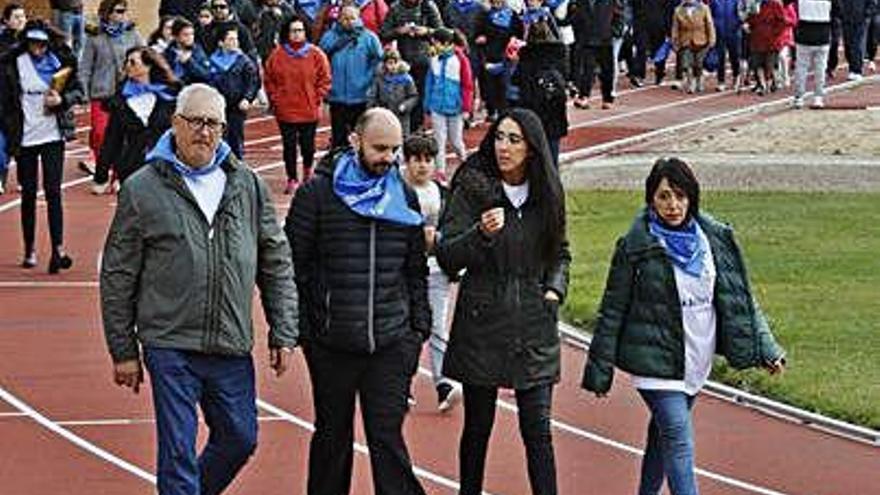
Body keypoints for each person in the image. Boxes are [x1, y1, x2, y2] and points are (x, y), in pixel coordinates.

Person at [100, 83, 298, 495]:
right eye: (195, 122)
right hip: (169, 342)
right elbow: (119, 273)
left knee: (240, 438)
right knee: (177, 451)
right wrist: (123, 349)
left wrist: (283, 329)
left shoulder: (247, 185)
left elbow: (275, 260)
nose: (204, 132)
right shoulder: (142, 188)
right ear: (175, 123)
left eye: (214, 124)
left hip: (229, 341)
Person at [581, 157, 786, 495]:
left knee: (662, 438)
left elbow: (740, 300)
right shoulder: (636, 245)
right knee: (678, 436)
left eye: (679, 195)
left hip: (695, 357)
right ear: (651, 200)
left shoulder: (713, 239)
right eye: (663, 197)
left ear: (692, 197)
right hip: (655, 363)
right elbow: (612, 309)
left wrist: (767, 348)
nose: (672, 205)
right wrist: (599, 370)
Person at [285, 107, 430, 495]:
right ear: (355, 141)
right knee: (333, 437)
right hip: (332, 343)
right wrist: (303, 330)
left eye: (394, 149)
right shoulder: (316, 195)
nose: (388, 158)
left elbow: (415, 270)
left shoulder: (405, 198)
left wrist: (418, 329)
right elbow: (291, 266)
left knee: (387, 438)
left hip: (391, 341)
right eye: (380, 147)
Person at [435, 108, 570, 495]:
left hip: (533, 323)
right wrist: (480, 234)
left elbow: (560, 253)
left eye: (514, 139)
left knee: (538, 431)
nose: (504, 147)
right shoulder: (473, 188)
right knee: (478, 427)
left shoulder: (547, 193)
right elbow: (447, 255)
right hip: (483, 322)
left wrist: (554, 290)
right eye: (499, 137)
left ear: (532, 148)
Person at [0, 21, 83, 272]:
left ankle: (58, 249)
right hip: (25, 136)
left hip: (52, 134)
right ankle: (30, 249)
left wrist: (62, 99)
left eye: (42, 43)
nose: (38, 48)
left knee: (53, 191)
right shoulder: (13, 64)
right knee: (28, 194)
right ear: (26, 41)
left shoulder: (61, 62)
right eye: (34, 42)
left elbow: (78, 91)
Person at [401, 132, 462, 411]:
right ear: (407, 161)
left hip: (437, 270)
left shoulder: (443, 193)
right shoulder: (397, 189)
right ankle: (403, 383)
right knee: (409, 328)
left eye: (428, 160)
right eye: (416, 160)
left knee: (438, 327)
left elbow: (453, 230)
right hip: (404, 272)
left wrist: (438, 240)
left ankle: (443, 383)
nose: (422, 166)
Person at [264, 14, 332, 194]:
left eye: (300, 30)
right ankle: (292, 178)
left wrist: (317, 97)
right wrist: (275, 98)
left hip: (308, 109)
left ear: (305, 32)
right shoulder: (277, 55)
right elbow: (269, 79)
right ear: (287, 32)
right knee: (289, 146)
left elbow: (325, 79)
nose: (296, 34)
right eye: (293, 31)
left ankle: (308, 172)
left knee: (308, 145)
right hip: (285, 110)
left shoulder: (316, 54)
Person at [94, 46, 178, 190]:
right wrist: (101, 174)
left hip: (165, 167)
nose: (127, 66)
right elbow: (112, 138)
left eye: (133, 62)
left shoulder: (170, 95)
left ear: (148, 66)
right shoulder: (121, 99)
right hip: (131, 169)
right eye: (126, 62)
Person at [80, 0, 143, 188]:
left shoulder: (132, 33)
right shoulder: (94, 36)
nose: (122, 15)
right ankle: (104, 167)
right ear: (107, 13)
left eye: (124, 11)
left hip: (126, 94)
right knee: (100, 135)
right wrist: (83, 91)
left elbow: (145, 57)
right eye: (117, 11)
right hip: (101, 92)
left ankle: (118, 174)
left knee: (122, 138)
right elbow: (85, 67)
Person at [320, 4, 384, 149]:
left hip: (361, 96)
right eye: (345, 18)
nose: (349, 21)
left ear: (359, 18)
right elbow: (320, 61)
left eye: (352, 18)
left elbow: (379, 62)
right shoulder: (329, 37)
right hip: (337, 97)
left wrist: (368, 81)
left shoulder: (369, 37)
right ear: (339, 18)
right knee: (338, 139)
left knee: (361, 137)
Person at [380, 0, 445, 133]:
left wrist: (426, 31)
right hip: (402, 59)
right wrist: (399, 31)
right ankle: (402, 125)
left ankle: (418, 125)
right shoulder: (395, 7)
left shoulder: (428, 6)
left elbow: (441, 32)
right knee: (402, 94)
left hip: (423, 59)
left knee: (420, 94)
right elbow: (384, 33)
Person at [511, 20, 568, 167]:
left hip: (532, 112)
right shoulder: (559, 54)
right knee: (552, 159)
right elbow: (566, 76)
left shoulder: (526, 57)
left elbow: (516, 81)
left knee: (533, 159)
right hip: (554, 114)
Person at [424, 27, 473, 178]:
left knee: (456, 141)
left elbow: (467, 85)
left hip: (455, 108)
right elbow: (429, 83)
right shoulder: (434, 60)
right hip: (437, 106)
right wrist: (427, 104)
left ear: (446, 43)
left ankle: (465, 163)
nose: (433, 46)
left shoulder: (460, 60)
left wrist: (466, 107)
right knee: (439, 140)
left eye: (436, 43)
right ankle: (441, 173)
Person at [208, 26, 260, 159]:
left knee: (236, 138)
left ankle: (238, 165)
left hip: (237, 106)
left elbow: (253, 81)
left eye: (236, 39)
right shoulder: (212, 61)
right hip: (218, 106)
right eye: (230, 39)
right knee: (218, 138)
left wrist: (247, 98)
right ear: (221, 42)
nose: (235, 42)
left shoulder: (243, 60)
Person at [569, 0, 623, 109]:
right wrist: (579, 34)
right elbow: (575, 18)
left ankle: (607, 98)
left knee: (607, 71)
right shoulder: (581, 3)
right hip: (587, 40)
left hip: (605, 40)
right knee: (587, 70)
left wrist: (615, 30)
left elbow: (619, 15)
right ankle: (584, 96)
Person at [0, 3, 27, 195]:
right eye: (16, 17)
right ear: (6, 20)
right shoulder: (2, 42)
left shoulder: (32, 42)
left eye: (23, 17)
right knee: (1, 145)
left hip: (23, 101)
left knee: (22, 144)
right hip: (3, 99)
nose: (21, 20)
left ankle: (23, 179)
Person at [367, 47, 420, 139]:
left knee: (401, 139)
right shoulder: (379, 78)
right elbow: (373, 96)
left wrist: (405, 105)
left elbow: (413, 96)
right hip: (384, 115)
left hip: (401, 116)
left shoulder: (406, 79)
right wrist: (374, 109)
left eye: (396, 62)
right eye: (390, 63)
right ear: (385, 64)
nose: (393, 66)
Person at [793, 0, 835, 108]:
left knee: (801, 67)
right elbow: (837, 12)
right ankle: (818, 97)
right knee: (820, 68)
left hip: (804, 33)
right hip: (823, 34)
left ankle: (799, 97)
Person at [671, 0, 716, 94]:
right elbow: (675, 28)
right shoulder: (678, 10)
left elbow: (709, 24)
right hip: (686, 41)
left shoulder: (704, 8)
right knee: (687, 64)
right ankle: (691, 83)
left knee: (699, 64)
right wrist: (675, 41)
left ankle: (700, 81)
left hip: (701, 40)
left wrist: (712, 39)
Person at [164, 17, 213, 85]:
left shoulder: (197, 51)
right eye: (186, 35)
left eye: (192, 34)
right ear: (176, 37)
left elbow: (207, 75)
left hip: (192, 89)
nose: (190, 38)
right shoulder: (168, 53)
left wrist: (188, 62)